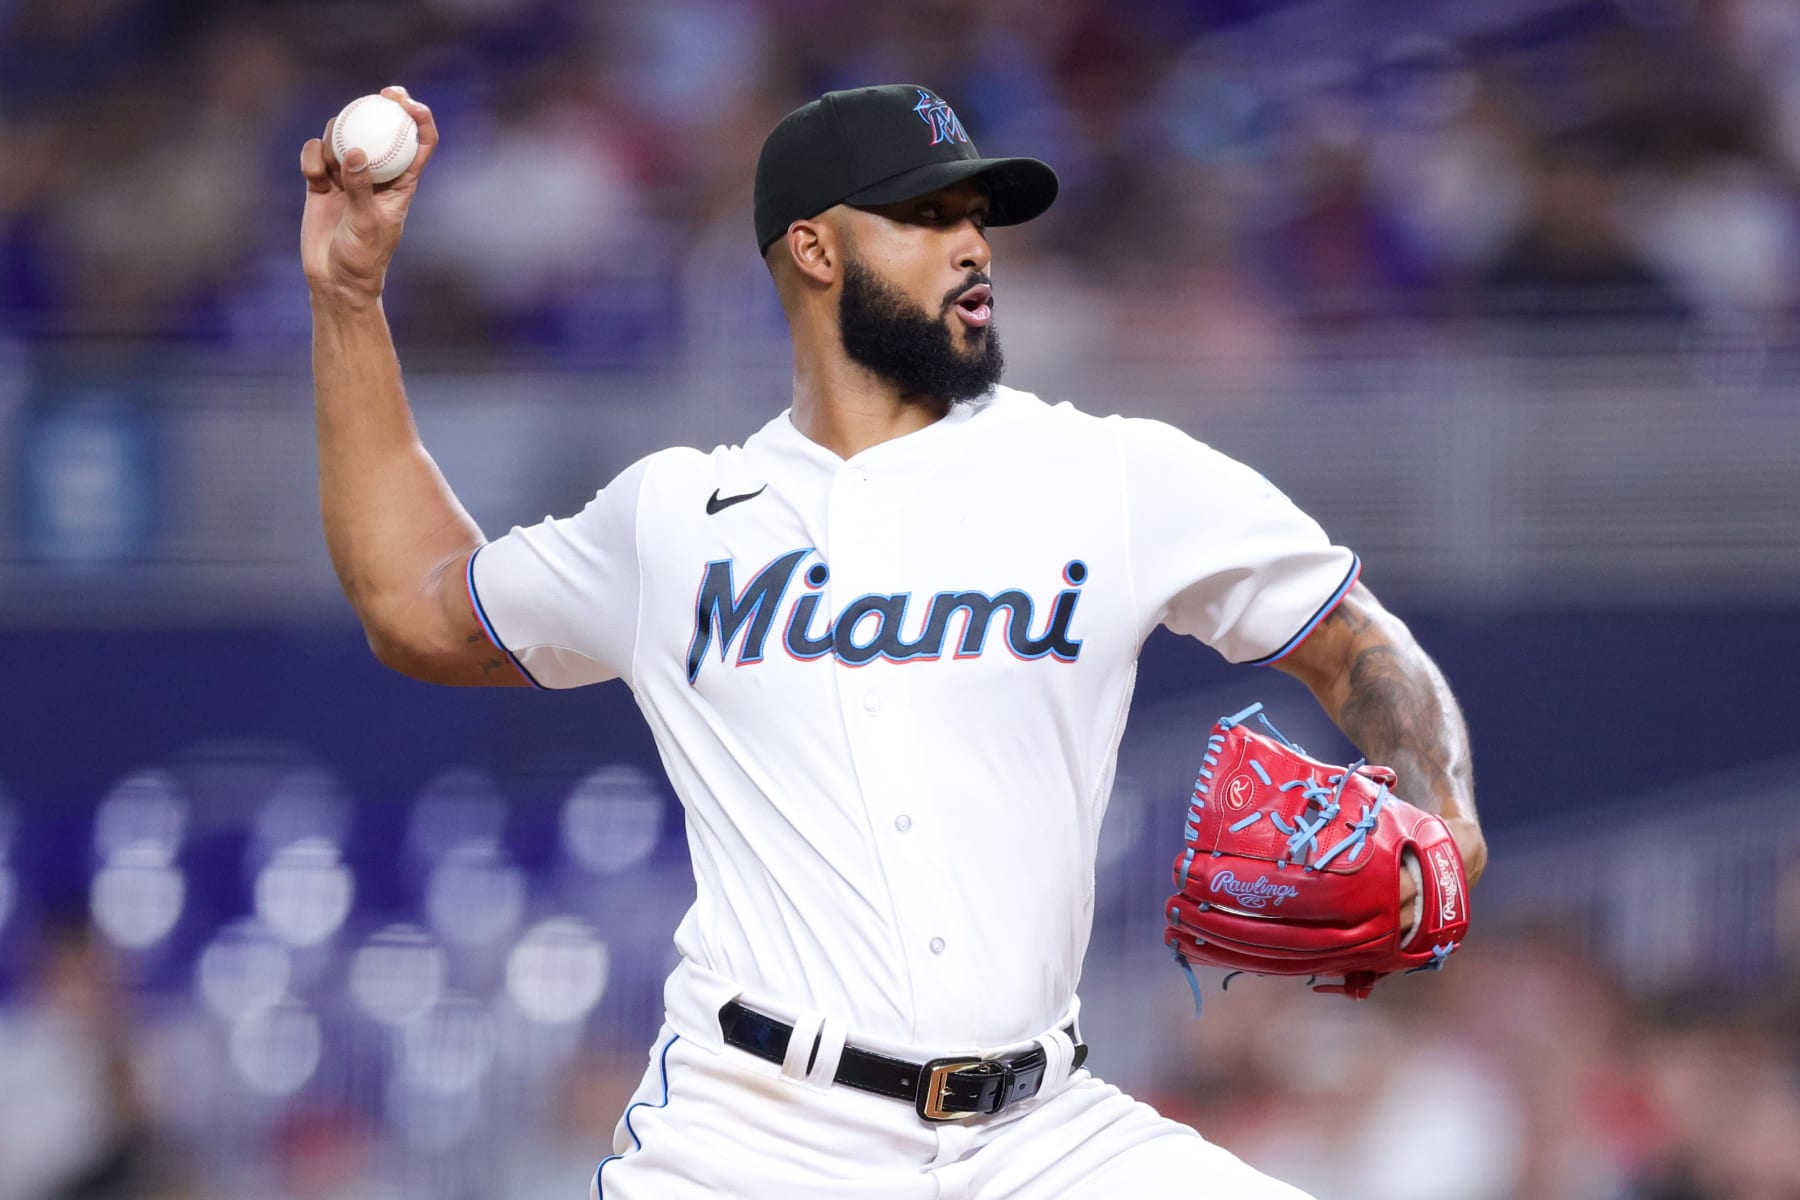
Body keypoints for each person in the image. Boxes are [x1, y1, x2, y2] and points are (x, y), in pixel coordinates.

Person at [300, 82, 1487, 1200]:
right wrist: (349, 300)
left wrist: (1443, 801)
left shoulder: (1111, 475)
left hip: (1039, 1133)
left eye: (977, 215)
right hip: (753, 1135)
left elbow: (1354, 638)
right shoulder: (673, 522)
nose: (973, 244)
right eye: (926, 215)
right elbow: (415, 606)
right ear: (814, 249)